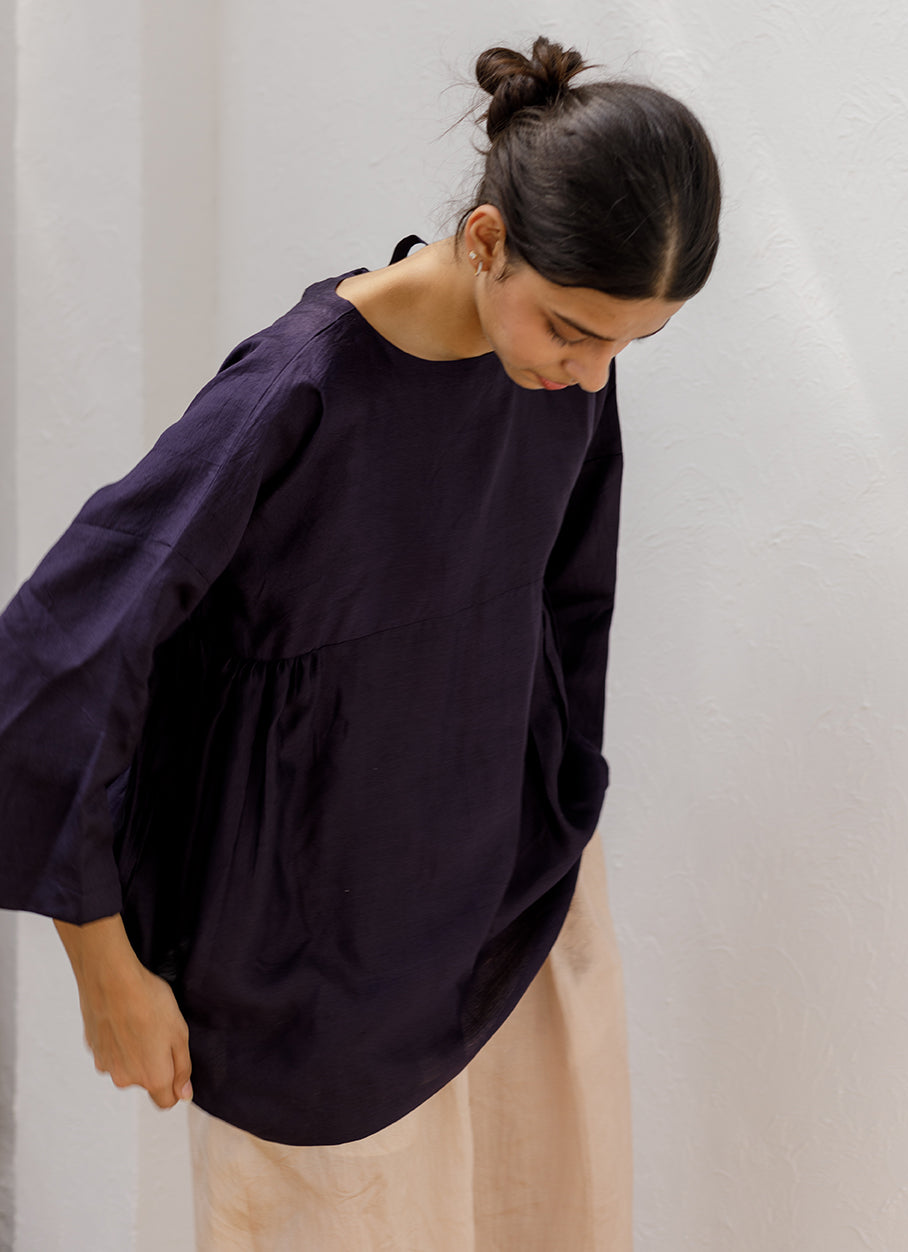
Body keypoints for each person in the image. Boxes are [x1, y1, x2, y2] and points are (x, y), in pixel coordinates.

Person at [0, 35, 720, 1251]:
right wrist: (106, 965)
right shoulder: (295, 391)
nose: (595, 377)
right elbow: (60, 654)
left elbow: (569, 608)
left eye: (626, 346)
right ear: (486, 239)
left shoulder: (556, 375)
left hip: (513, 914)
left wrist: (562, 814)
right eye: (575, 330)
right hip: (310, 963)